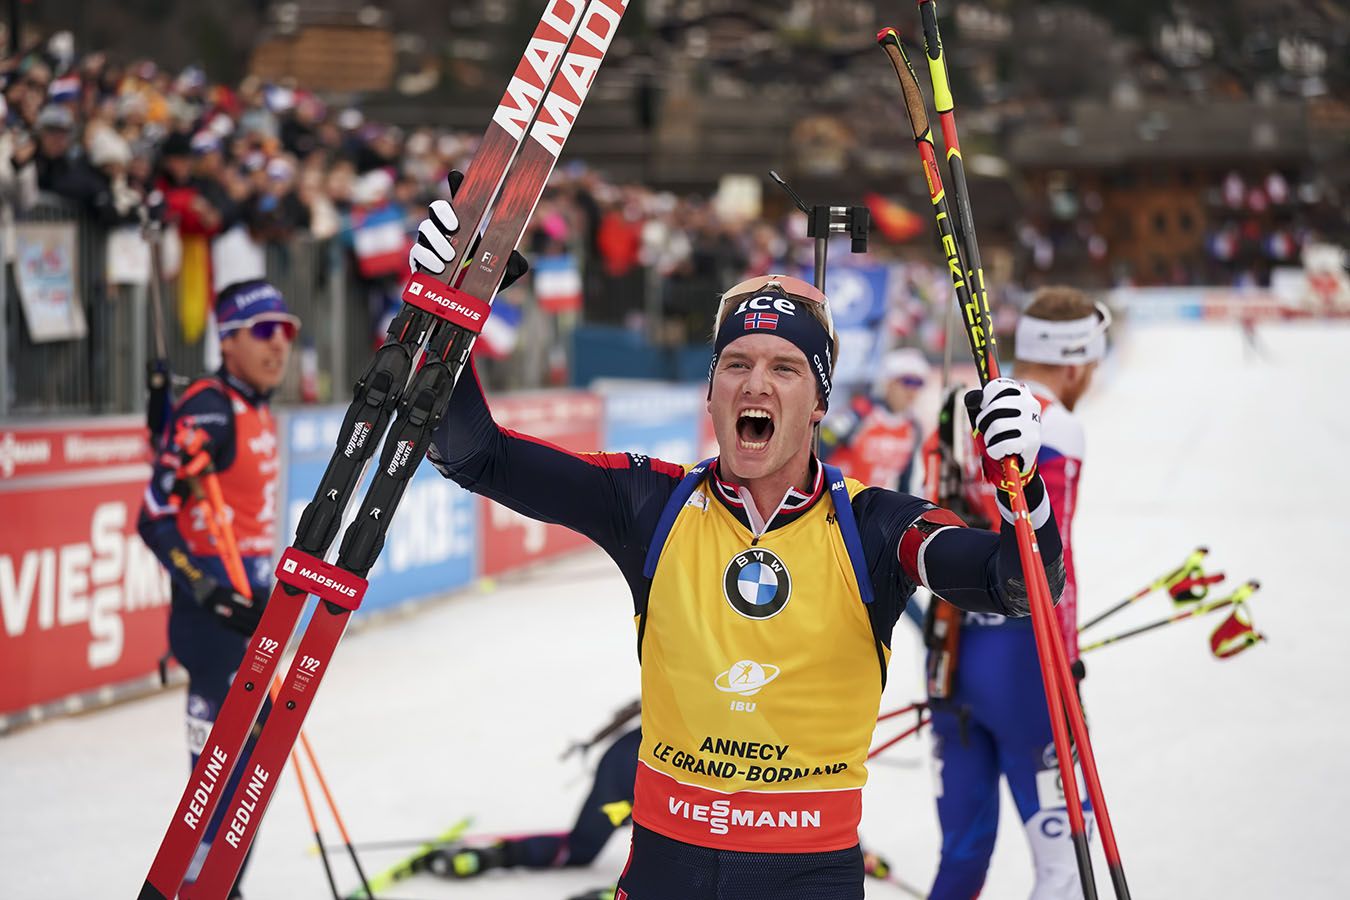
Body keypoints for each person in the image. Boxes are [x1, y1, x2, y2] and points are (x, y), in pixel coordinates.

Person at [411, 193, 1066, 900]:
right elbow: (474, 454)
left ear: (819, 404)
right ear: (711, 391)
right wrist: (443, 310)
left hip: (807, 877)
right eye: (735, 363)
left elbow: (1018, 585)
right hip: (666, 869)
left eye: (785, 368)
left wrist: (1022, 487)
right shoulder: (651, 503)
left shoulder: (874, 525)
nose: (755, 383)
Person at [924, 286, 1108, 900]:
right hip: (1029, 662)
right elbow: (1051, 562)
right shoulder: (1059, 425)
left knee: (962, 859)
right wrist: (1066, 662)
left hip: (952, 655)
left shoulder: (958, 411)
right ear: (1075, 364)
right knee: (1066, 870)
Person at [137, 279, 299, 897]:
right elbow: (154, 514)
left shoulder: (251, 405)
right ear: (227, 341)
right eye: (263, 331)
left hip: (245, 614)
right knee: (221, 784)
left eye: (286, 332)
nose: (278, 345)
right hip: (212, 622)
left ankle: (218, 888)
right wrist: (207, 591)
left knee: (246, 779)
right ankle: (203, 889)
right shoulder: (212, 406)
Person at [420, 700, 642, 887]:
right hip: (634, 768)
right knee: (589, 847)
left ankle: (492, 856)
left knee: (580, 847)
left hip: (623, 757)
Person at [822, 346, 930, 493]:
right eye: (907, 382)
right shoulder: (858, 414)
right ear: (889, 383)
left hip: (875, 504)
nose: (911, 391)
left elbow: (905, 481)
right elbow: (820, 446)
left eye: (918, 383)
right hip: (841, 499)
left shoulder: (913, 428)